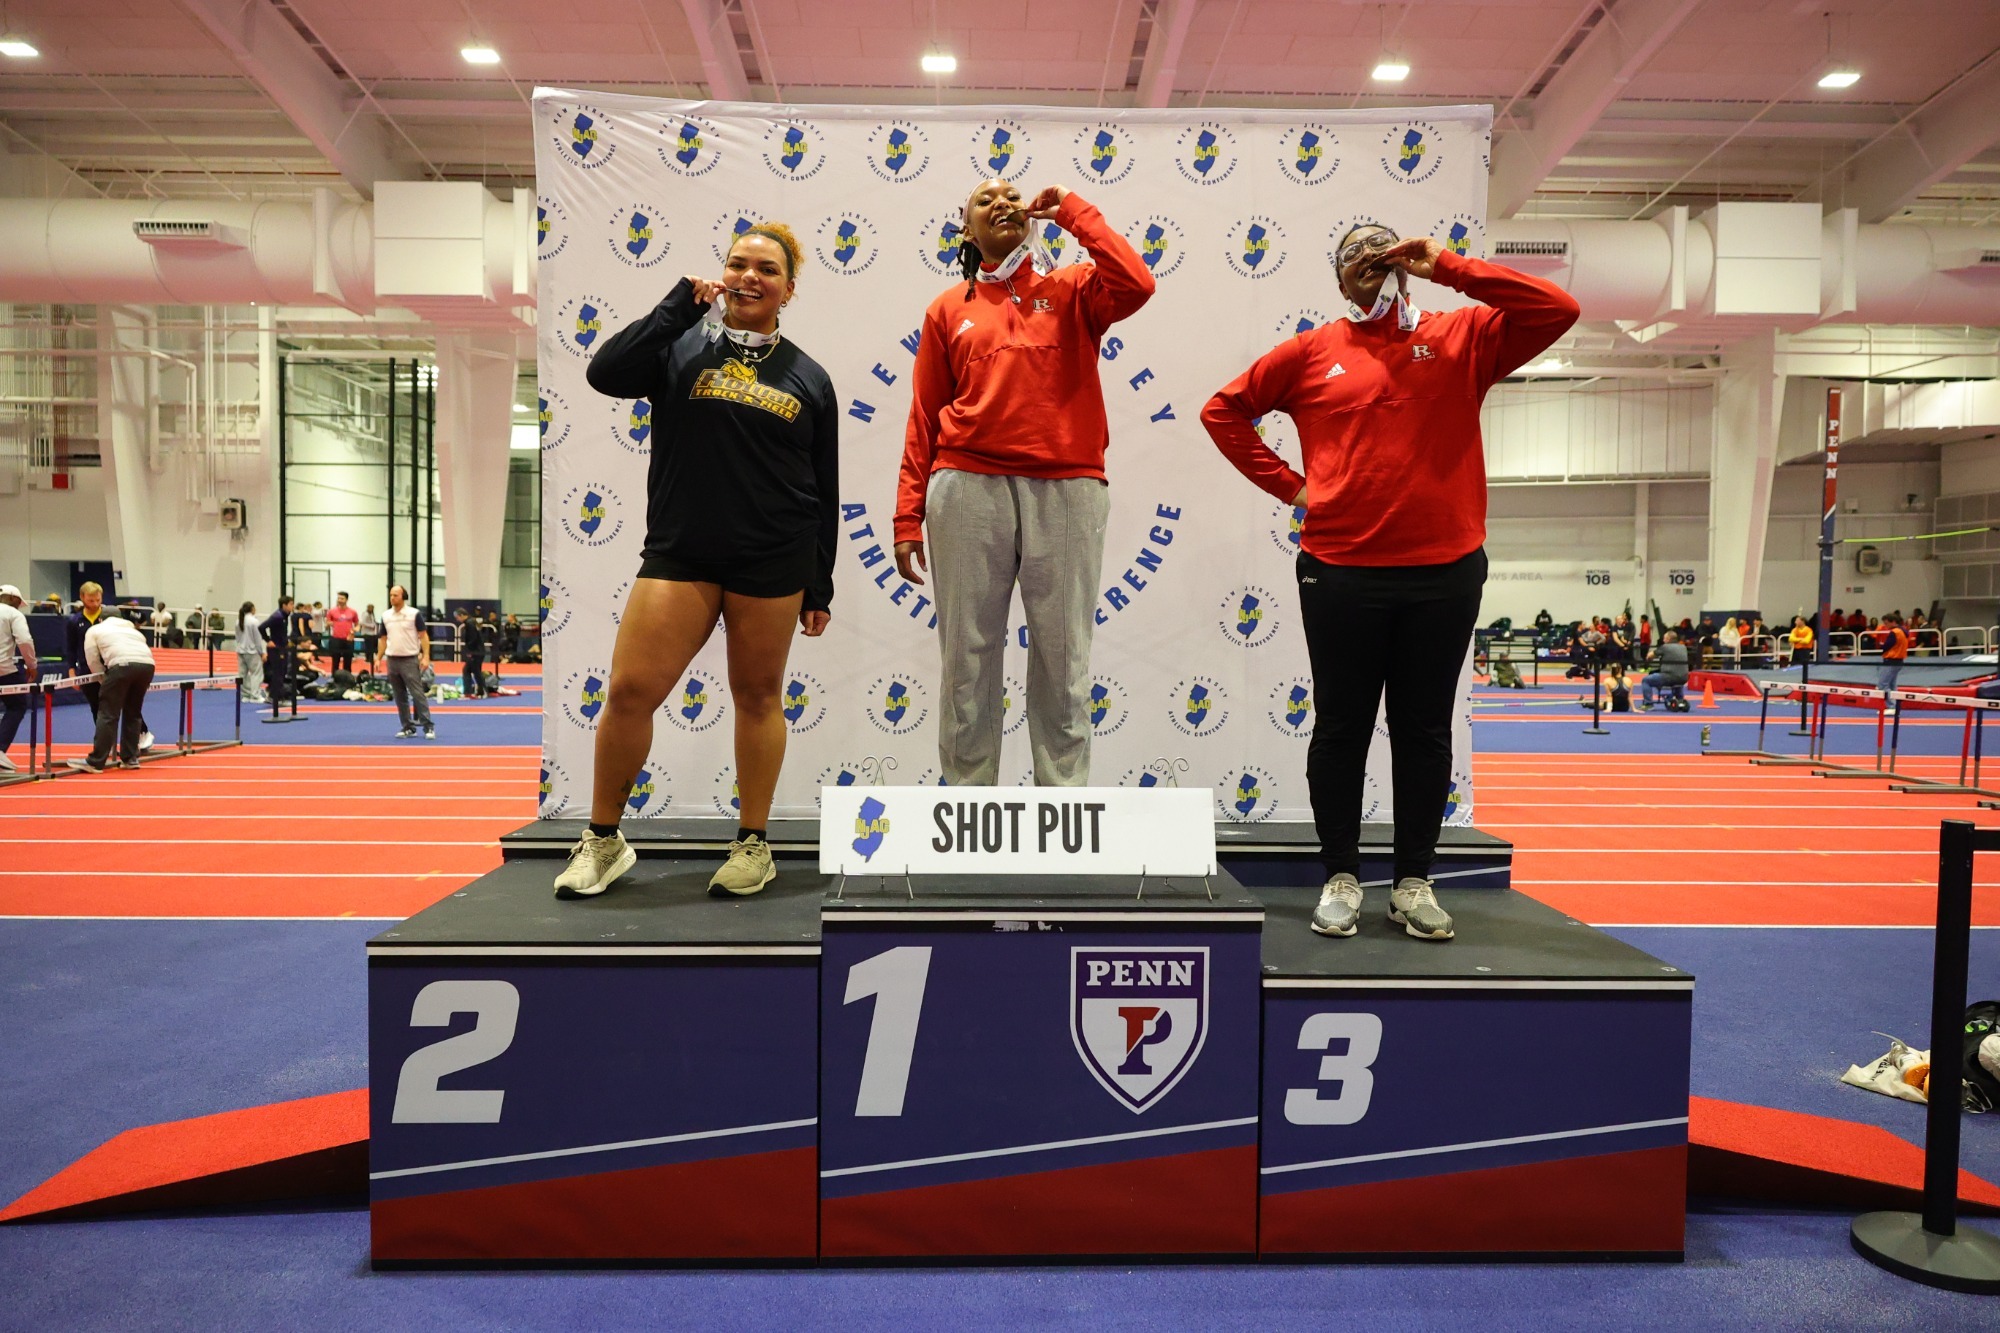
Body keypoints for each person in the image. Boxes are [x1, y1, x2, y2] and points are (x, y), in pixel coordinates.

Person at [1202, 220, 1578, 943]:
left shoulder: (1462, 336)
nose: (1372, 261)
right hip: (1341, 570)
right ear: (1340, 280)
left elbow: (1557, 309)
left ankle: (1413, 882)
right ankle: (1341, 877)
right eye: (1356, 256)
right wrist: (1292, 487)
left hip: (1445, 569)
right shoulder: (1311, 352)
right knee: (1341, 726)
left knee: (1423, 728)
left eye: (1385, 250)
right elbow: (1223, 412)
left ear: (1406, 265)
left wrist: (1450, 266)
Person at [562, 221, 838, 901]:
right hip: (681, 553)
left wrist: (819, 583)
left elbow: (823, 486)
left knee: (758, 697)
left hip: (774, 559)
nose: (749, 277)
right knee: (630, 692)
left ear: (788, 290)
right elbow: (603, 373)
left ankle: (753, 846)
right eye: (738, 264)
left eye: (767, 270)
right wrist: (674, 310)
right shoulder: (679, 346)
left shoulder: (810, 377)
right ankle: (603, 839)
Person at [896, 178, 1155, 788]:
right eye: (985, 200)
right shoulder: (947, 309)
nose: (1003, 203)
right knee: (966, 656)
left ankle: (1062, 804)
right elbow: (925, 416)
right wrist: (908, 514)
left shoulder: (1075, 287)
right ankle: (967, 802)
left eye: (1012, 195)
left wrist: (1072, 212)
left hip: (1067, 486)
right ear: (966, 230)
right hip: (966, 485)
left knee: (1064, 656)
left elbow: (1137, 283)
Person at [66, 583, 153, 754]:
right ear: (82, 598)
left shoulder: (110, 616)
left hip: (113, 667)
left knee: (126, 702)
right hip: (87, 668)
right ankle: (107, 744)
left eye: (98, 600)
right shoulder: (74, 621)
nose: (95, 604)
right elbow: (71, 647)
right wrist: (71, 670)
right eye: (91, 600)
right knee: (97, 708)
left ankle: (143, 733)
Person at [381, 583, 434, 740]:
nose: (392, 598)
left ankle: (428, 726)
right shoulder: (386, 616)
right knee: (399, 696)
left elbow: (423, 636)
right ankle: (407, 727)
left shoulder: (413, 614)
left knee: (417, 693)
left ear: (403, 596)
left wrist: (426, 656)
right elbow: (383, 639)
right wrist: (378, 657)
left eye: (395, 595)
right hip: (392, 659)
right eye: (391, 595)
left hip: (409, 659)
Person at [0, 584, 37, 773]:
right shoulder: (13, 614)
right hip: (4, 669)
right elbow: (24, 641)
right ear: (13, 599)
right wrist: (32, 665)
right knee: (17, 706)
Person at [1638, 630, 1691, 710]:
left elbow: (1650, 656)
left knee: (1646, 680)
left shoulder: (1665, 647)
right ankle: (1679, 699)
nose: (1663, 640)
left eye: (1664, 638)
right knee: (1677, 679)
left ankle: (1648, 704)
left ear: (1668, 639)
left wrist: (1649, 657)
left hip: (1668, 676)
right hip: (1684, 677)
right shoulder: (1683, 647)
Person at [258, 595, 295, 704]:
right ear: (284, 605)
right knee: (278, 673)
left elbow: (281, 632)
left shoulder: (285, 616)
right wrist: (268, 640)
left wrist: (286, 642)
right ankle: (274, 698)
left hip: (282, 647)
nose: (293, 606)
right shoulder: (277, 616)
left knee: (282, 673)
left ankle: (275, 695)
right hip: (276, 649)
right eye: (291, 604)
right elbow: (261, 627)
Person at [233, 602, 265, 702]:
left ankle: (246, 695)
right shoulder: (254, 621)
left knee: (243, 674)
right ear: (252, 609)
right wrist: (261, 652)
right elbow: (257, 639)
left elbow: (237, 637)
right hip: (252, 651)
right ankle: (255, 695)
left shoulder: (238, 621)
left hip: (241, 650)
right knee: (256, 673)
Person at [454, 608, 489, 699]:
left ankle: (479, 691)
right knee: (472, 671)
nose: (457, 620)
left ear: (462, 615)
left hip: (475, 651)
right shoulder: (472, 621)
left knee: (472, 671)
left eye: (457, 617)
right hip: (479, 650)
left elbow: (472, 638)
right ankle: (476, 691)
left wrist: (470, 651)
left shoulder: (469, 623)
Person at [326, 592, 359, 675]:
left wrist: (354, 630)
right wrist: (333, 623)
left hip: (348, 639)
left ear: (346, 600)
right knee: (335, 661)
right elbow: (327, 622)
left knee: (348, 661)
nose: (340, 600)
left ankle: (347, 679)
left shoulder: (353, 612)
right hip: (336, 639)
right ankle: (335, 678)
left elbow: (357, 625)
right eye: (338, 598)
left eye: (342, 599)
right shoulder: (332, 611)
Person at [1878, 611, 1910, 696]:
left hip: (1891, 660)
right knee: (1892, 685)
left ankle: (1891, 703)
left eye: (1886, 623)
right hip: (1899, 661)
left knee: (1883, 685)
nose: (1885, 625)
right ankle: (1894, 703)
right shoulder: (1903, 631)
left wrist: (1881, 646)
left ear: (1893, 622)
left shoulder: (1895, 632)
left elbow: (1887, 646)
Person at [358, 602, 381, 669]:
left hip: (372, 633)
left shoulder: (371, 614)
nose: (371, 609)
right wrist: (371, 626)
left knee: (372, 646)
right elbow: (362, 623)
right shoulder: (365, 614)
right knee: (368, 646)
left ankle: (371, 658)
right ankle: (368, 659)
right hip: (366, 632)